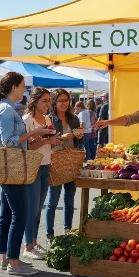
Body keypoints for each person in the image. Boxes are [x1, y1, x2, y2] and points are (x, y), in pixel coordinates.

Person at [0, 72, 53, 275]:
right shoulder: (8, 110)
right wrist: (35, 133)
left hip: (7, 166)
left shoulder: (6, 108)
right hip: (11, 166)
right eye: (23, 86)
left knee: (8, 213)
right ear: (13, 88)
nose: (25, 89)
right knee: (20, 213)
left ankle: (6, 258)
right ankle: (14, 263)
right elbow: (9, 141)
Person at [22, 87, 62, 260]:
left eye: (49, 100)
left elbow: (47, 144)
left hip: (46, 164)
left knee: (38, 208)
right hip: (33, 167)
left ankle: (34, 241)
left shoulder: (47, 119)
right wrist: (48, 140)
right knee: (32, 209)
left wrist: (55, 141)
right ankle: (27, 247)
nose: (48, 104)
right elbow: (28, 146)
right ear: (35, 101)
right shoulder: (27, 120)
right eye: (44, 100)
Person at [45, 89, 83, 241]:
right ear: (54, 102)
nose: (64, 103)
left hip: (71, 160)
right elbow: (47, 140)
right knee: (52, 201)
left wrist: (79, 136)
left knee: (70, 200)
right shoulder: (49, 119)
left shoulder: (74, 119)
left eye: (66, 100)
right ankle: (50, 235)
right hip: (55, 161)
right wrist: (61, 137)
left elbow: (79, 142)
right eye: (60, 100)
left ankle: (67, 232)